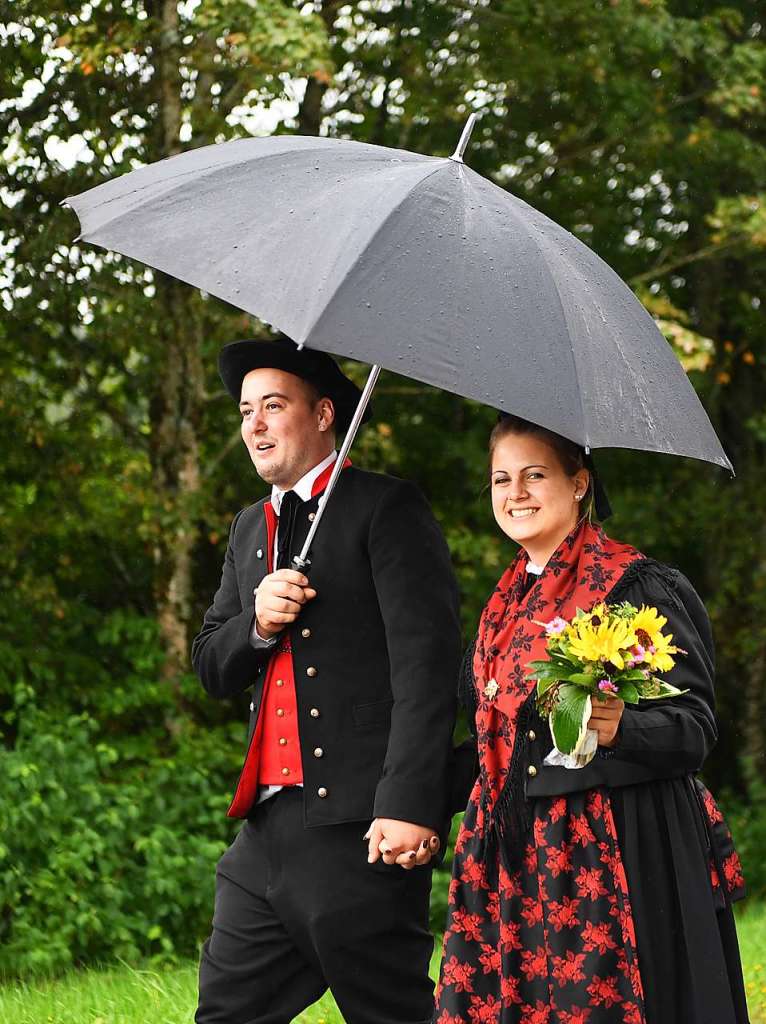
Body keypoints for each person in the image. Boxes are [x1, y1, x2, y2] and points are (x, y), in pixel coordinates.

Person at [435, 414, 749, 1024]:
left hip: (612, 846)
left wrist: (618, 725)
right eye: (501, 479)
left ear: (579, 483)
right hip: (513, 854)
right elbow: (491, 740)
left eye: (534, 475)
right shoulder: (502, 607)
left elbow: (695, 727)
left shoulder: (637, 586)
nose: (515, 493)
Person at [192, 336, 462, 1024]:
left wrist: (409, 802)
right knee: (224, 1013)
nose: (252, 423)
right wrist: (256, 624)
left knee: (390, 1014)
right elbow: (212, 668)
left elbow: (426, 669)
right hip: (264, 833)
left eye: (272, 405)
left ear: (322, 415)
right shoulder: (249, 528)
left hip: (361, 827)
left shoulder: (386, 509)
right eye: (246, 409)